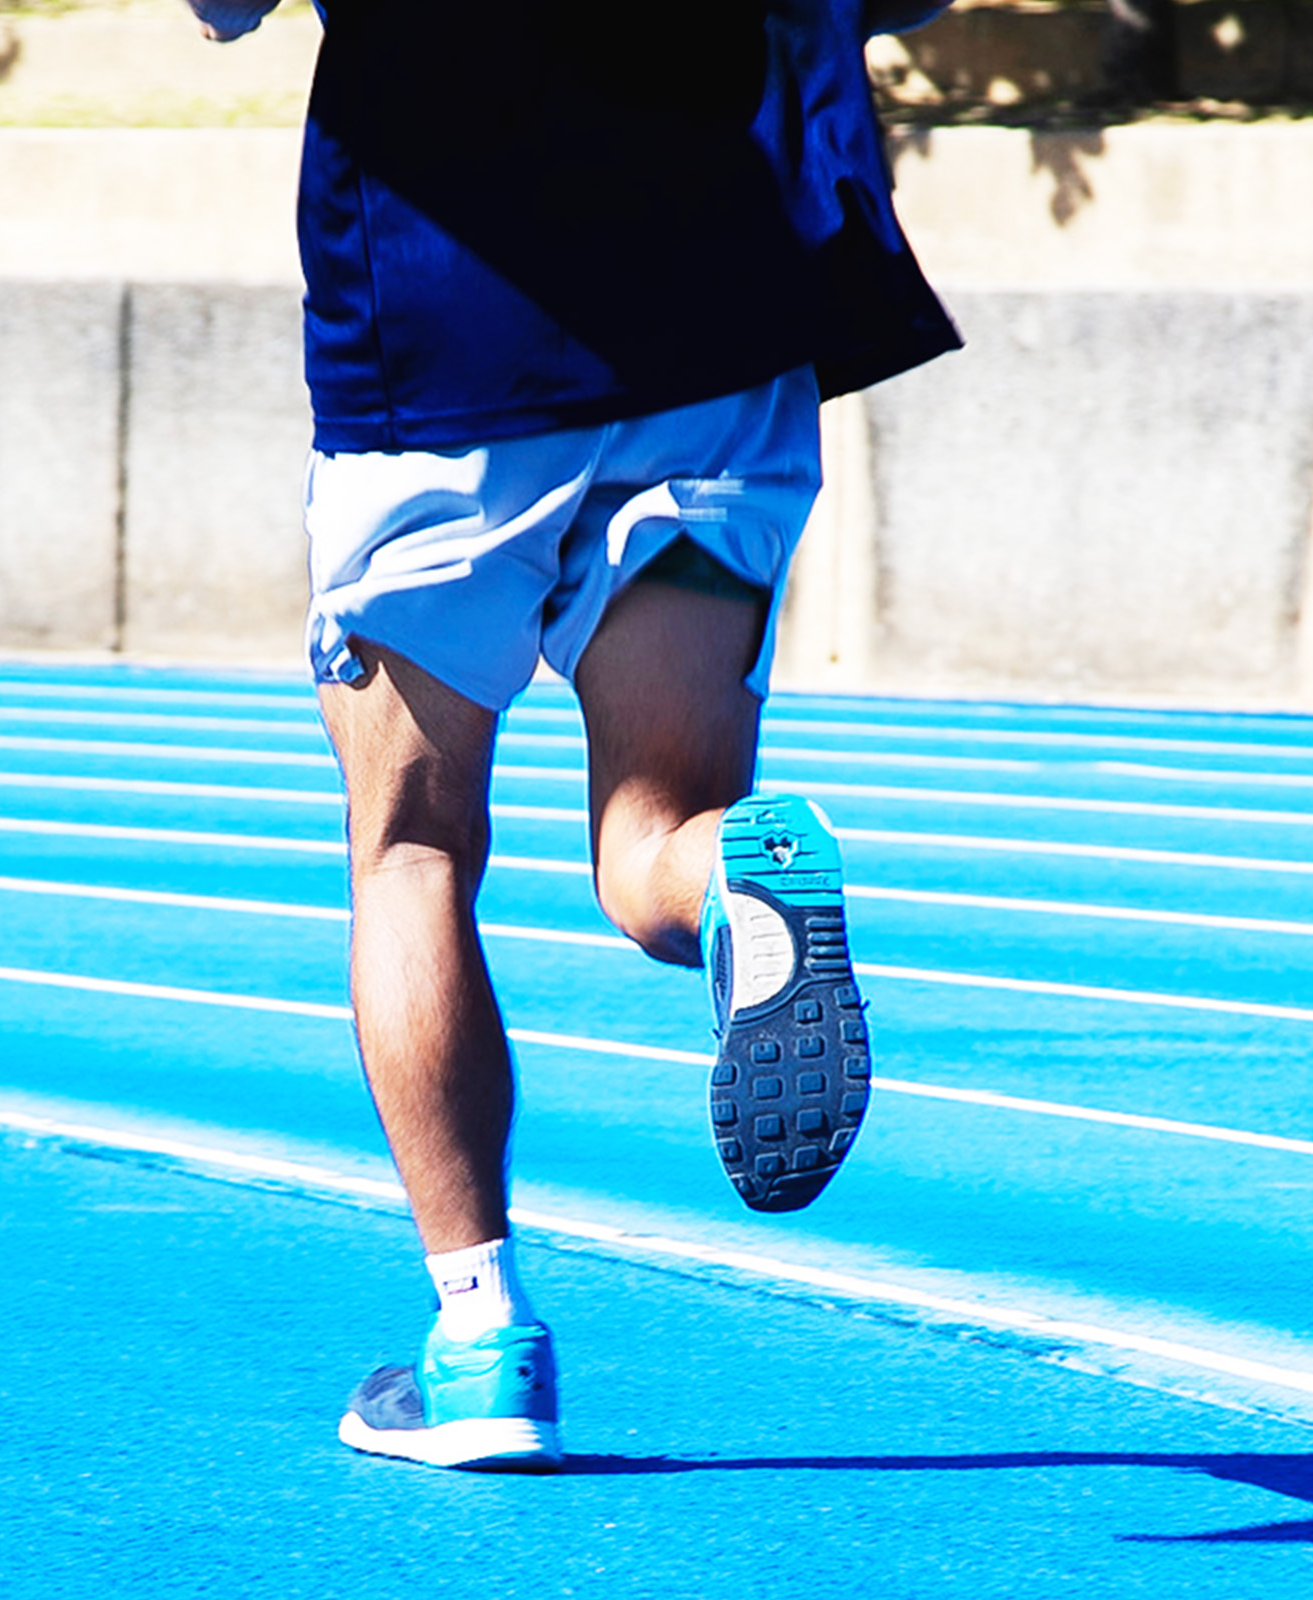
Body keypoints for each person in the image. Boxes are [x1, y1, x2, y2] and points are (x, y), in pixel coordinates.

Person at [189, 0, 961, 1471]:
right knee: (653, 850)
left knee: (412, 848)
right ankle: (732, 871)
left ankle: (480, 1339)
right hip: (716, 337)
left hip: (437, 352)